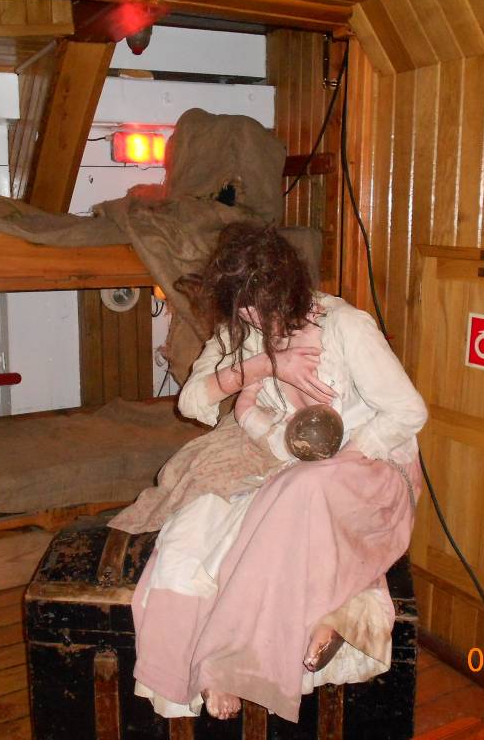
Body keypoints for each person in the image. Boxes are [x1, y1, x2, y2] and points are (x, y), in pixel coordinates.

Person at [113, 221, 428, 723]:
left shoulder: (345, 326)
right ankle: (186, 667)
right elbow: (193, 401)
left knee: (296, 493)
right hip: (295, 467)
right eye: (242, 307)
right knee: (193, 534)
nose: (253, 317)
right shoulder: (242, 333)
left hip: (373, 472)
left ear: (290, 287)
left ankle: (230, 663)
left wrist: (346, 458)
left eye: (262, 305)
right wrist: (266, 365)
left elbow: (409, 412)